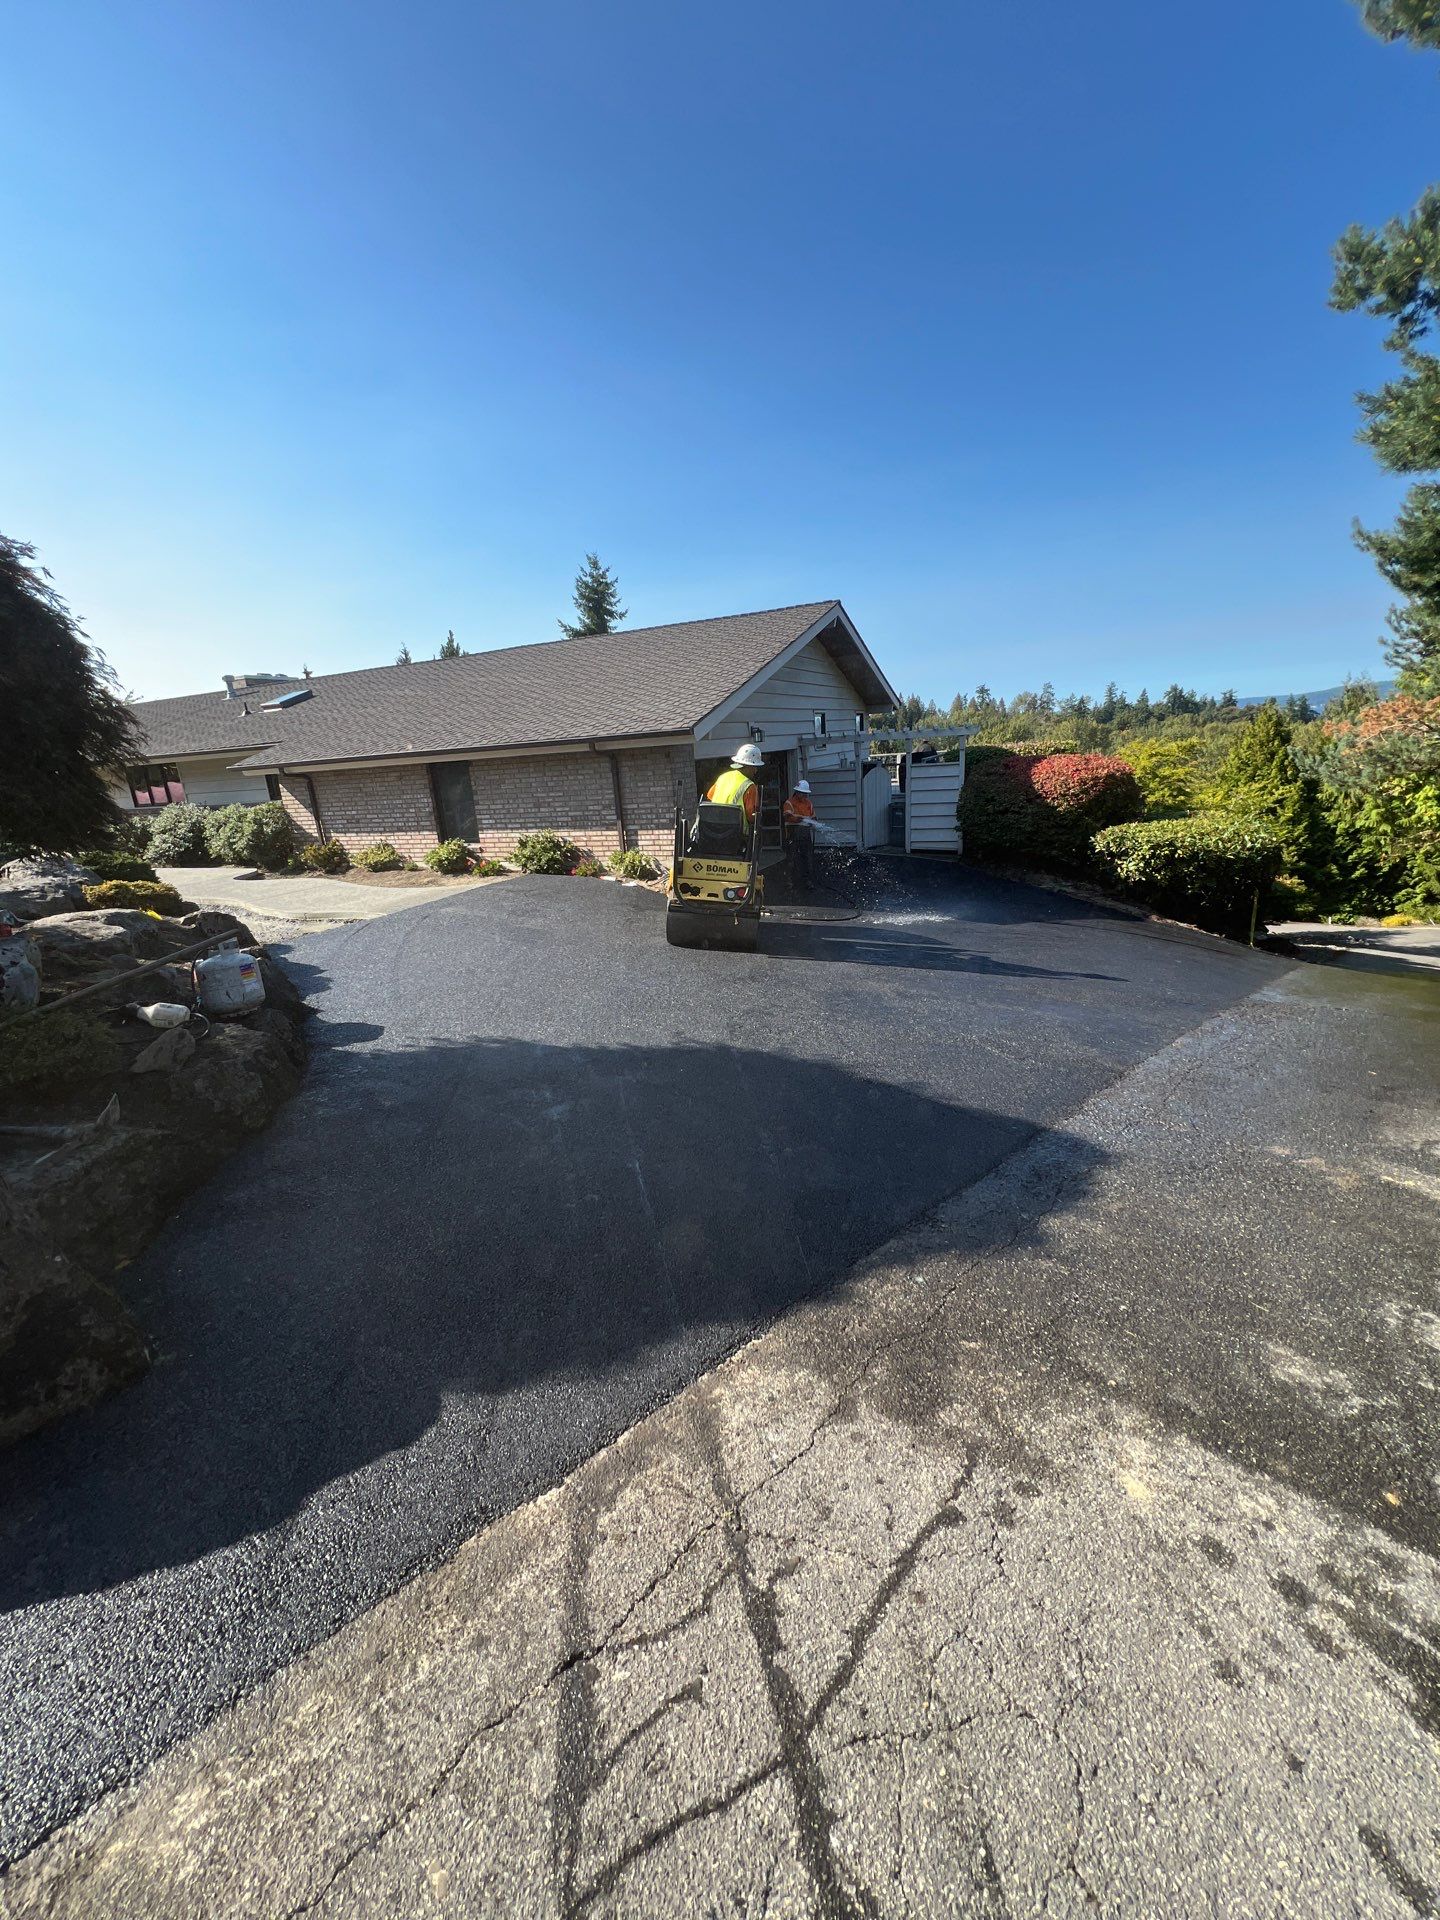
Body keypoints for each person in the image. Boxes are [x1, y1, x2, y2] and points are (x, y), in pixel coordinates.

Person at [704, 743, 764, 839]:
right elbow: (752, 817)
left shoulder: (722, 777)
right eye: (754, 767)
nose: (755, 771)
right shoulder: (749, 786)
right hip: (737, 837)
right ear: (747, 766)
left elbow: (710, 797)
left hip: (713, 832)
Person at [783, 778, 817, 888]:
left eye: (805, 794)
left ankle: (807, 880)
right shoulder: (789, 803)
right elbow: (788, 816)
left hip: (805, 834)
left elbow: (813, 817)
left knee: (807, 858)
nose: (804, 796)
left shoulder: (809, 804)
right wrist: (800, 819)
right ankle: (789, 880)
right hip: (793, 834)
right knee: (791, 858)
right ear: (797, 792)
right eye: (803, 793)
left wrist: (813, 822)